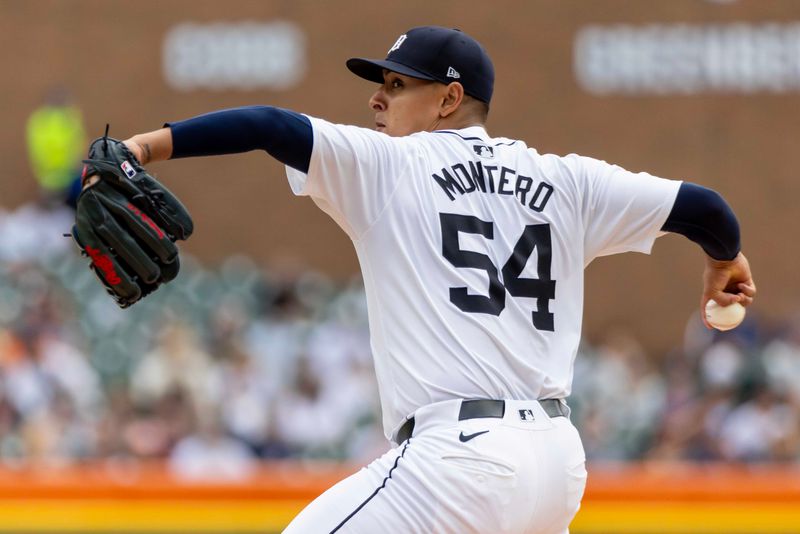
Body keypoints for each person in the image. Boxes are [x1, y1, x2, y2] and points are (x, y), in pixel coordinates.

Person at [96, 26, 756, 533]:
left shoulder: (390, 165)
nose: (378, 97)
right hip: (556, 464)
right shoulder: (567, 180)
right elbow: (707, 209)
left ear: (448, 99)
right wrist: (723, 263)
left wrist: (140, 149)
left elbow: (271, 125)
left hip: (458, 462)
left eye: (398, 85)